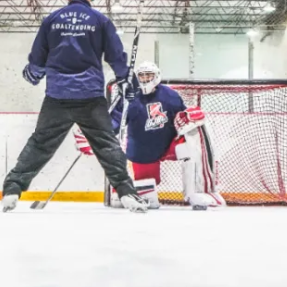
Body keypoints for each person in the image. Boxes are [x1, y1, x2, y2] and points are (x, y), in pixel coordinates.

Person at [1, 0, 148, 213]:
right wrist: (125, 80)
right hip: (89, 96)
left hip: (57, 96)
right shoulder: (101, 20)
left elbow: (38, 56)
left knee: (40, 144)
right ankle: (127, 193)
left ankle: (12, 189)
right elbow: (115, 55)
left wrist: (34, 72)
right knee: (107, 145)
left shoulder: (52, 19)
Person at [77, 61, 224, 209]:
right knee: (148, 199)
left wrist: (187, 118)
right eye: (142, 76)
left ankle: (197, 193)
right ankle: (123, 193)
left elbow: (183, 118)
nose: (145, 79)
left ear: (157, 76)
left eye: (149, 75)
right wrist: (95, 135)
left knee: (193, 140)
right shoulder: (129, 98)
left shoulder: (170, 95)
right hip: (143, 151)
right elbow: (115, 122)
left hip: (169, 144)